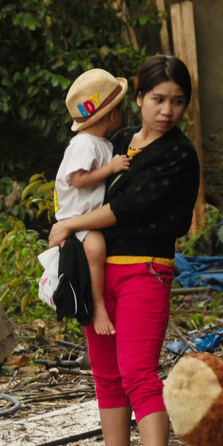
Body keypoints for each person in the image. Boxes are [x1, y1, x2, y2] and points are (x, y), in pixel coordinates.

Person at [50, 54, 200, 446]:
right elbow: (79, 184)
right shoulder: (116, 141)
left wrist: (71, 226)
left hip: (144, 269)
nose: (166, 110)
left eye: (177, 101)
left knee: (138, 373)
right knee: (106, 375)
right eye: (157, 99)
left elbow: (127, 208)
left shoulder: (177, 153)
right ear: (137, 99)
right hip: (99, 271)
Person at [54, 69, 131, 335]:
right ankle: (98, 308)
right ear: (112, 114)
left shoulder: (100, 142)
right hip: (78, 216)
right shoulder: (84, 144)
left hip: (89, 214)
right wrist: (110, 169)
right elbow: (78, 179)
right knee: (96, 249)